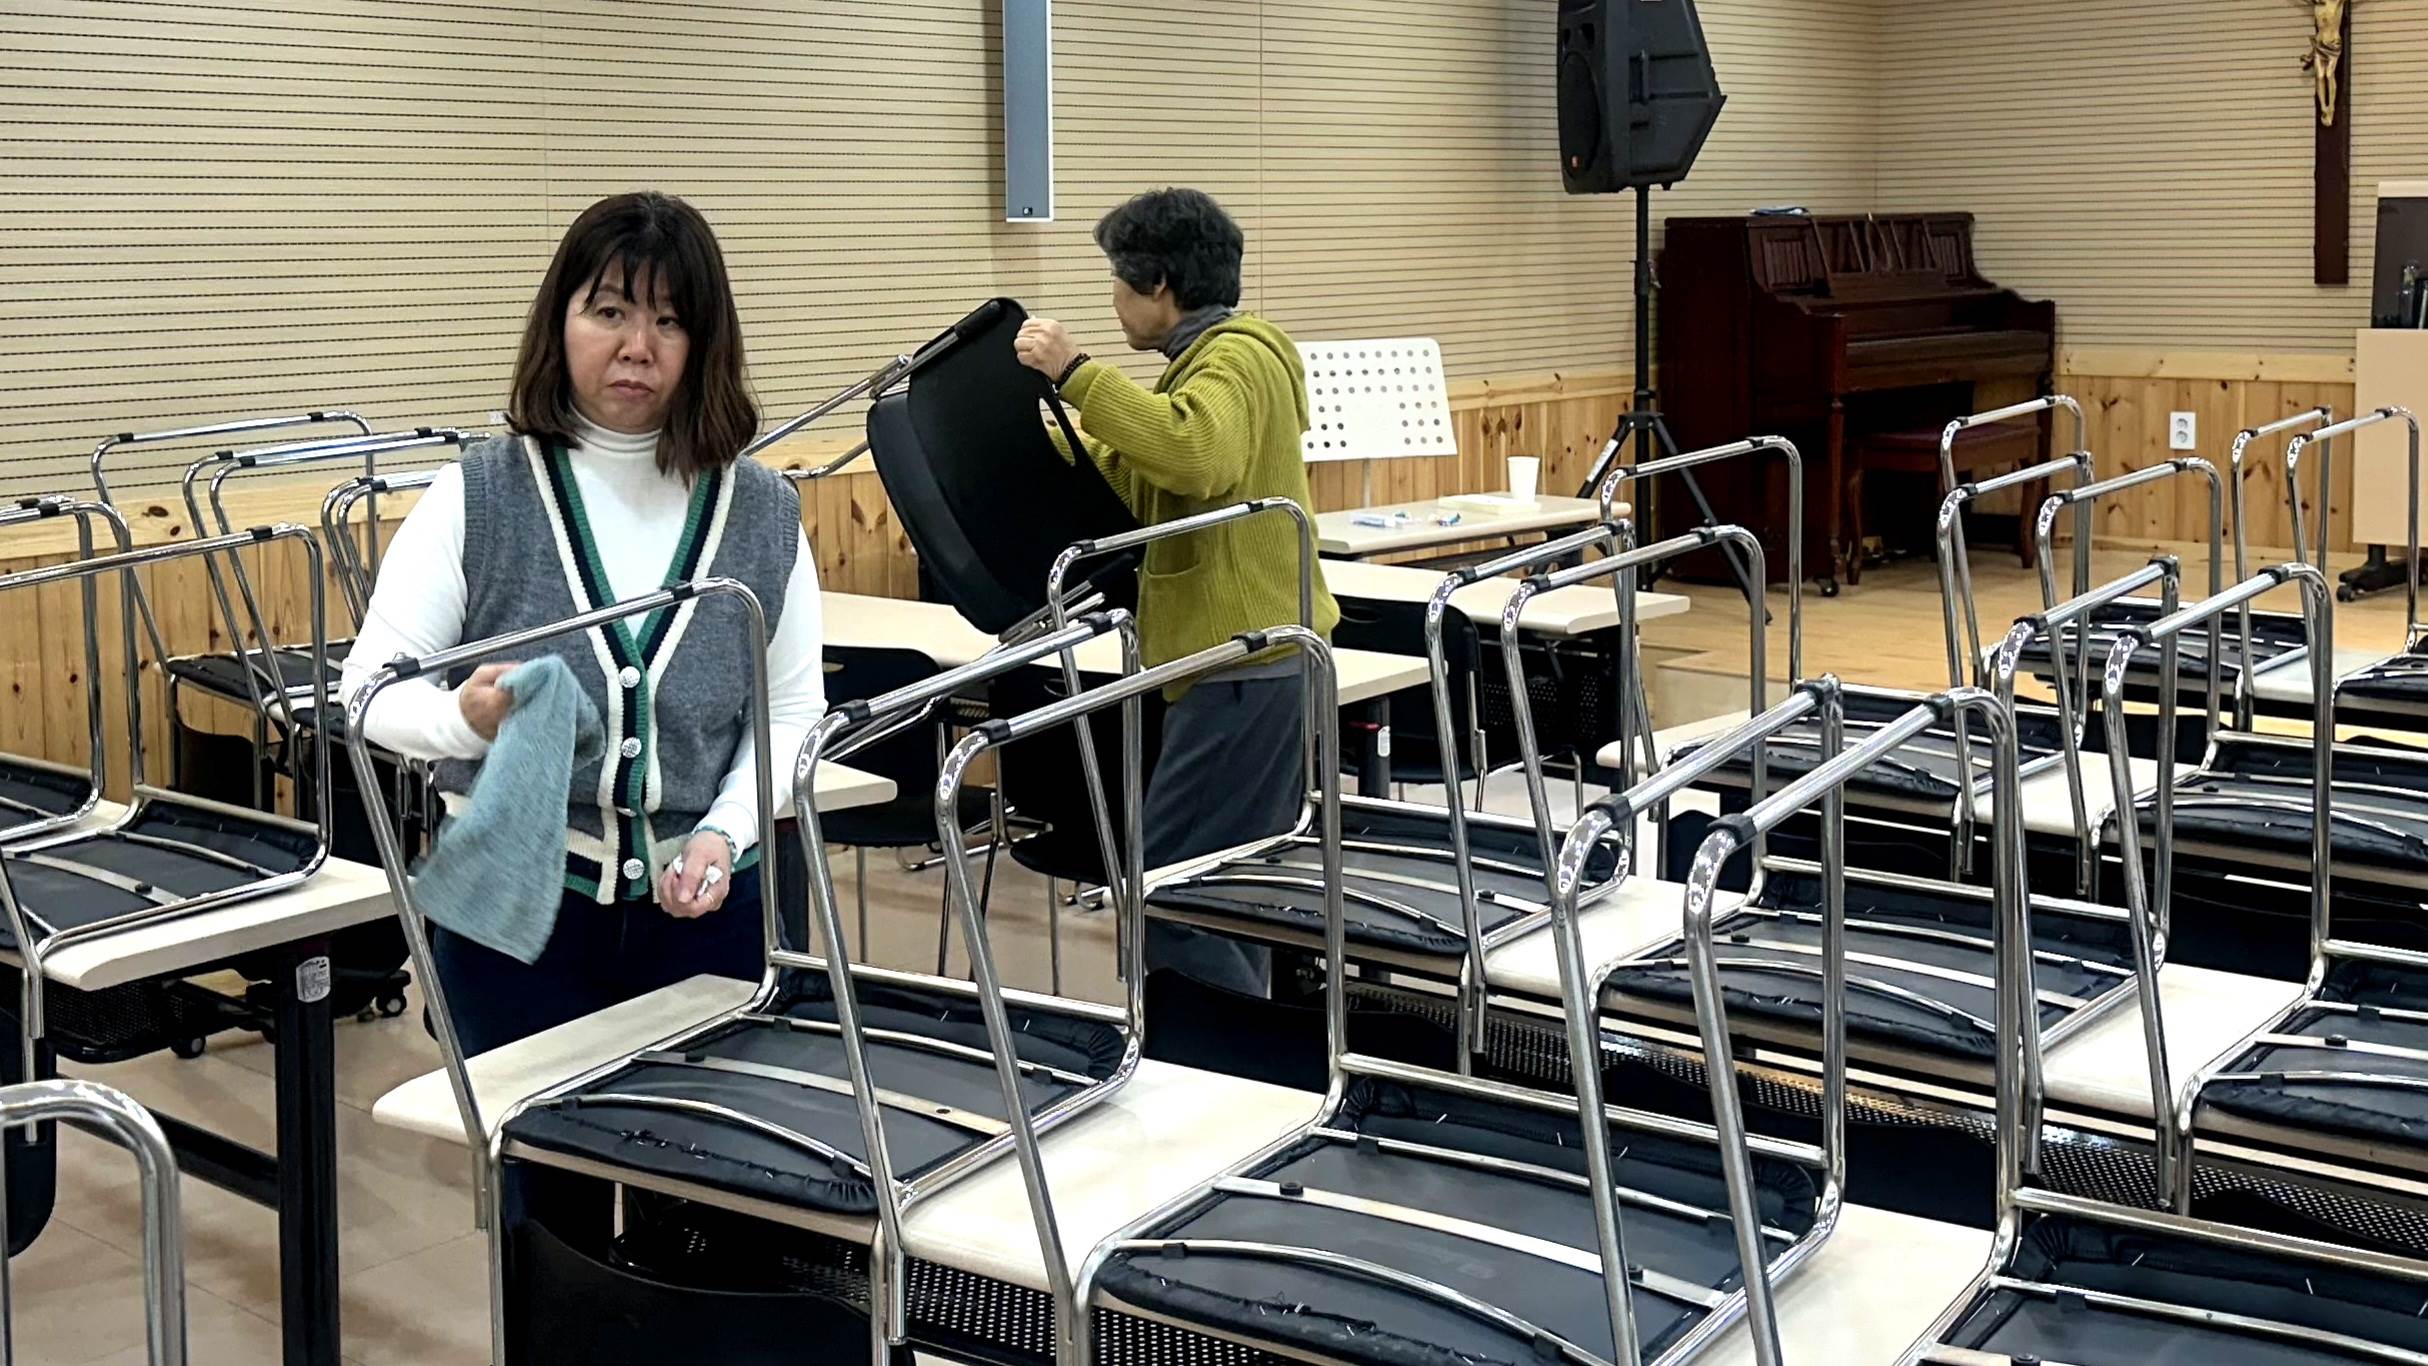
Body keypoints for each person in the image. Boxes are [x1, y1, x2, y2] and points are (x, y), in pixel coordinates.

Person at [342, 191, 824, 1056]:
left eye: (670, 322)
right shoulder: (478, 495)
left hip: (714, 918)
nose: (637, 346)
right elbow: (367, 691)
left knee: (704, 1139)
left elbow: (789, 713)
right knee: (530, 1144)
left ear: (704, 344)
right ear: (559, 323)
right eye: (609, 313)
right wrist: (463, 721)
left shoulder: (764, 511)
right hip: (514, 923)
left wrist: (726, 831)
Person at [1014, 187, 1339, 996]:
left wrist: (1078, 375)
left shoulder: (1235, 359)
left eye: (1118, 281)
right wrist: (1054, 444)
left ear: (1158, 283)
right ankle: (1244, 1043)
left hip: (1244, 663)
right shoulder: (1205, 367)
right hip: (1241, 662)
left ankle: (1213, 1049)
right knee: (1230, 886)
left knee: (1172, 890)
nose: (1112, 301)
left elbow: (1197, 454)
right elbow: (1154, 481)